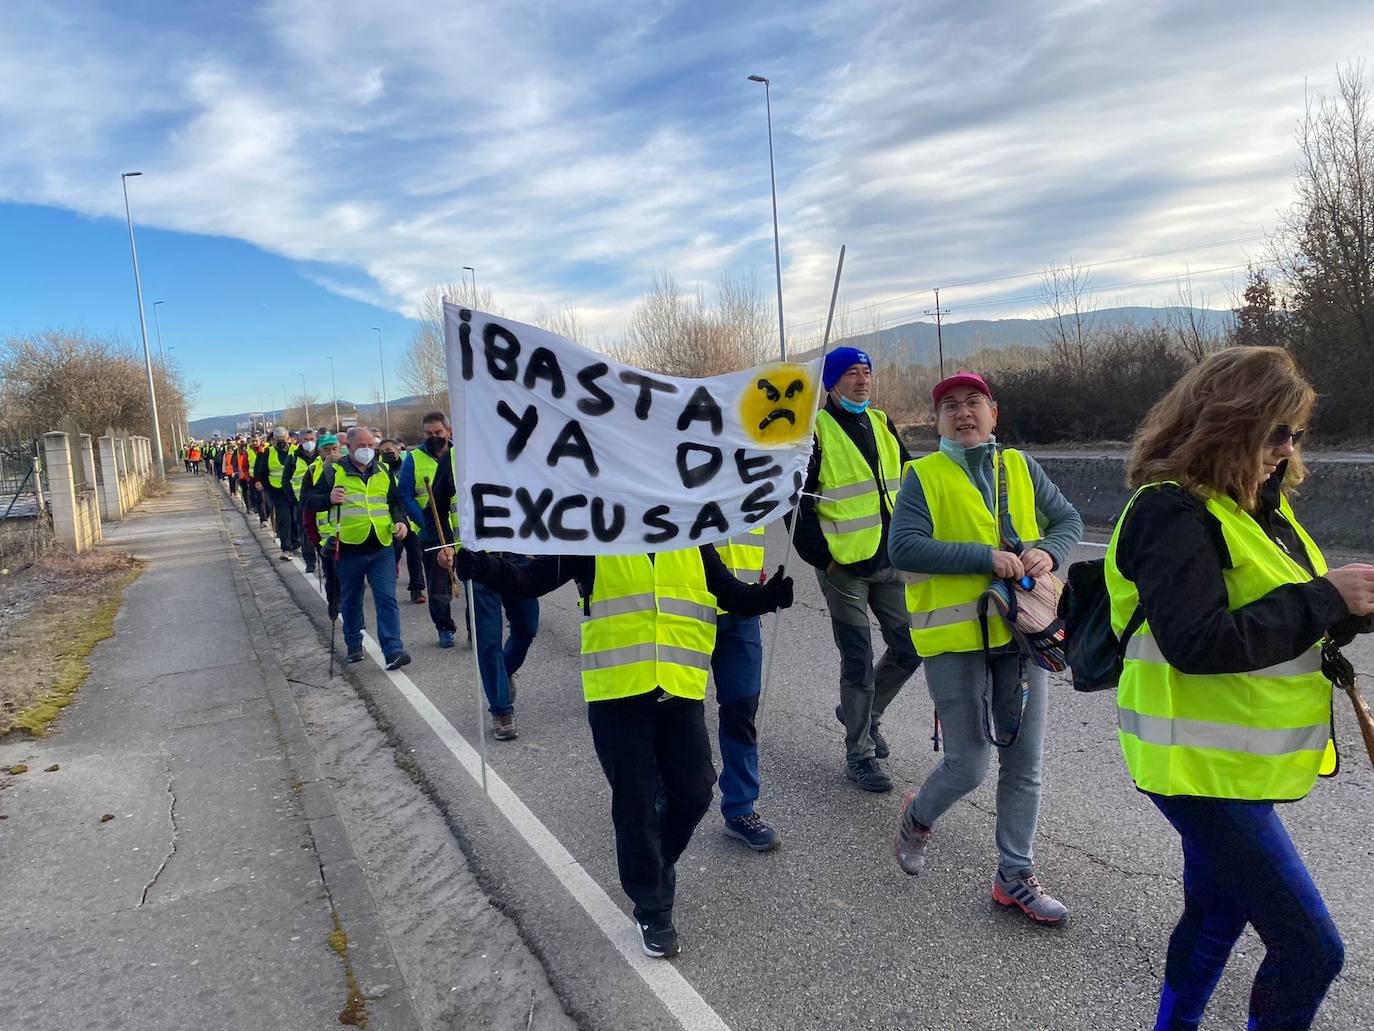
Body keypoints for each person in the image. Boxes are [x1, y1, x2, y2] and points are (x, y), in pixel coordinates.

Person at [1103, 346, 1374, 1030]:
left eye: (1295, 434)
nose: (1285, 450)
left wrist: (1350, 604)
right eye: (1275, 432)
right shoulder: (1169, 513)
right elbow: (1198, 641)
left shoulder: (1255, 510)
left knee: (1217, 911)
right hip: (1194, 768)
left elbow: (1289, 621)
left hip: (1229, 766)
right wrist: (1322, 597)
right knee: (1312, 950)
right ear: (1228, 422)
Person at [445, 541, 794, 958]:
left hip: (679, 690)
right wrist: (483, 567)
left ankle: (652, 866)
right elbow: (529, 581)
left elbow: (727, 593)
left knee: (696, 791)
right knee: (636, 805)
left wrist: (767, 597)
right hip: (617, 698)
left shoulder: (691, 539)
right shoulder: (596, 538)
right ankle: (653, 907)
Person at [887, 371, 1082, 925]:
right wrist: (981, 557)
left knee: (1024, 764)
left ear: (994, 412)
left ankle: (1014, 876)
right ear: (939, 421)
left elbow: (1067, 520)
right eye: (950, 406)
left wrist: (1047, 549)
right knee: (969, 764)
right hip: (955, 641)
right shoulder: (923, 475)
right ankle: (918, 818)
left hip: (1023, 636)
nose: (963, 412)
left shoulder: (1019, 466)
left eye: (974, 402)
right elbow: (903, 549)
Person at [791, 346, 922, 792]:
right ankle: (860, 753)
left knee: (910, 645)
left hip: (889, 560)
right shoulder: (814, 432)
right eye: (851, 373)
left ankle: (863, 715)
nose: (862, 381)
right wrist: (823, 559)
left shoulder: (882, 422)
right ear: (831, 382)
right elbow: (797, 506)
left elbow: (910, 480)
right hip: (843, 567)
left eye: (867, 372)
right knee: (857, 659)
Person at [305, 426, 412, 670]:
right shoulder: (333, 471)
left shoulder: (383, 470)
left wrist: (400, 522)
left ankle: (393, 649)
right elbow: (311, 502)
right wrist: (328, 498)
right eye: (361, 446)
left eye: (370, 446)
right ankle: (354, 643)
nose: (367, 450)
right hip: (349, 548)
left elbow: (395, 503)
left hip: (381, 546)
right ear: (350, 448)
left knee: (387, 599)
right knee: (352, 599)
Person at [712, 527, 780, 850]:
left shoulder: (749, 474)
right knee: (673, 710)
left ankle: (740, 808)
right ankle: (659, 797)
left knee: (742, 711)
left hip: (742, 605)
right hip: (682, 602)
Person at [398, 412, 462, 647]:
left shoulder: (462, 454)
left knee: (475, 584)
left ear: (449, 431)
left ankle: (476, 630)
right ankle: (444, 628)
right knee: (437, 587)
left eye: (438, 432)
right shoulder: (414, 459)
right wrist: (424, 521)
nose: (434, 437)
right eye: (429, 434)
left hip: (463, 532)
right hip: (431, 532)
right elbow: (404, 493)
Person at [301, 434, 342, 620]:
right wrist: (315, 540)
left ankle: (352, 615)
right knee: (332, 576)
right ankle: (334, 606)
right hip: (325, 538)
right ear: (319, 451)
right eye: (327, 449)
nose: (331, 453)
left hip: (350, 537)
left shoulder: (349, 468)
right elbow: (307, 507)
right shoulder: (312, 471)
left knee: (348, 578)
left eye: (334, 448)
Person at [381, 438, 425, 604]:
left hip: (409, 517)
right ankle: (388, 587)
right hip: (391, 518)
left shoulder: (408, 466)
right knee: (394, 553)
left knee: (415, 555)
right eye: (383, 451)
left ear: (399, 450)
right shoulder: (380, 470)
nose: (387, 454)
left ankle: (417, 590)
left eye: (390, 450)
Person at [255, 427, 298, 561]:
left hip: (295, 491)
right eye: (278, 440)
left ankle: (295, 542)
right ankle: (286, 548)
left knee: (295, 517)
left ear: (288, 439)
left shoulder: (296, 451)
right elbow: (262, 473)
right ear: (273, 440)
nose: (281, 443)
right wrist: (269, 489)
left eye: (283, 440)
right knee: (284, 518)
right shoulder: (268, 452)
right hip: (278, 491)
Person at [286, 429, 319, 573]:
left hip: (321, 502)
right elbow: (286, 480)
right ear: (300, 441)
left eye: (312, 439)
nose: (309, 442)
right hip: (301, 503)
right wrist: (293, 499)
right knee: (305, 534)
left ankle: (325, 562)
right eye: (306, 439)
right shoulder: (293, 457)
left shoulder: (322, 456)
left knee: (323, 533)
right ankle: (310, 561)